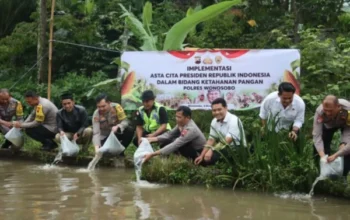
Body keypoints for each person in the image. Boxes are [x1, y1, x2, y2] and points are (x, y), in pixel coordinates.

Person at [194, 98, 245, 165]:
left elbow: (227, 140)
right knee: (203, 158)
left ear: (226, 108)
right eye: (214, 110)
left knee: (211, 158)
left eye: (219, 109)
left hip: (237, 148)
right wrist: (202, 155)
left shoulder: (234, 120)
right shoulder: (214, 121)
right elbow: (211, 139)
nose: (217, 112)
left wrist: (212, 150)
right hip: (223, 147)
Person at [313, 95, 350, 176]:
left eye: (330, 110)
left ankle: (344, 174)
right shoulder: (320, 112)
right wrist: (322, 156)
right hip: (328, 126)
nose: (328, 113)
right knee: (319, 148)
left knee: (346, 149)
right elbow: (317, 135)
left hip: (346, 126)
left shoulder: (348, 109)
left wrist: (338, 152)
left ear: (338, 107)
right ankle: (321, 172)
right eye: (325, 110)